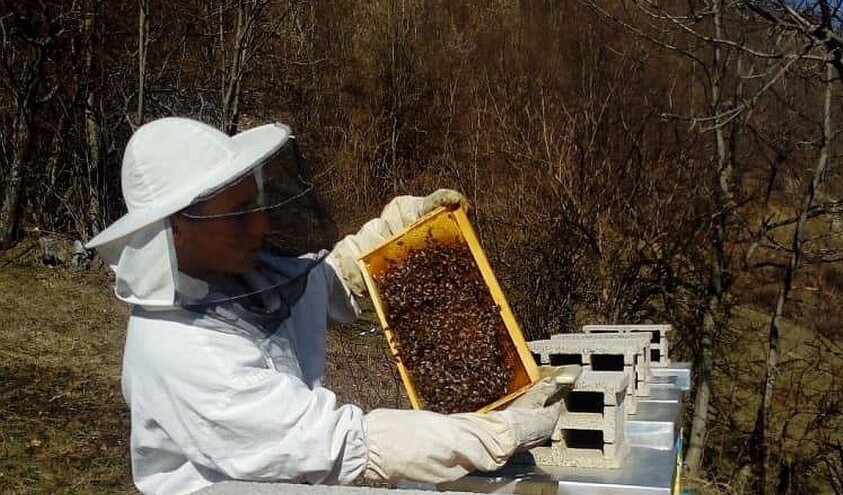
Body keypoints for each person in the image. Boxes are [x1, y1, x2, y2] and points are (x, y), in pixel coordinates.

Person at [86, 117, 561, 495]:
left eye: (257, 205)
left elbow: (327, 283)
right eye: (238, 216)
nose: (260, 228)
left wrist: (398, 231)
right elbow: (338, 445)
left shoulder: (241, 276)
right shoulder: (181, 351)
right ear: (174, 229)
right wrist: (493, 434)